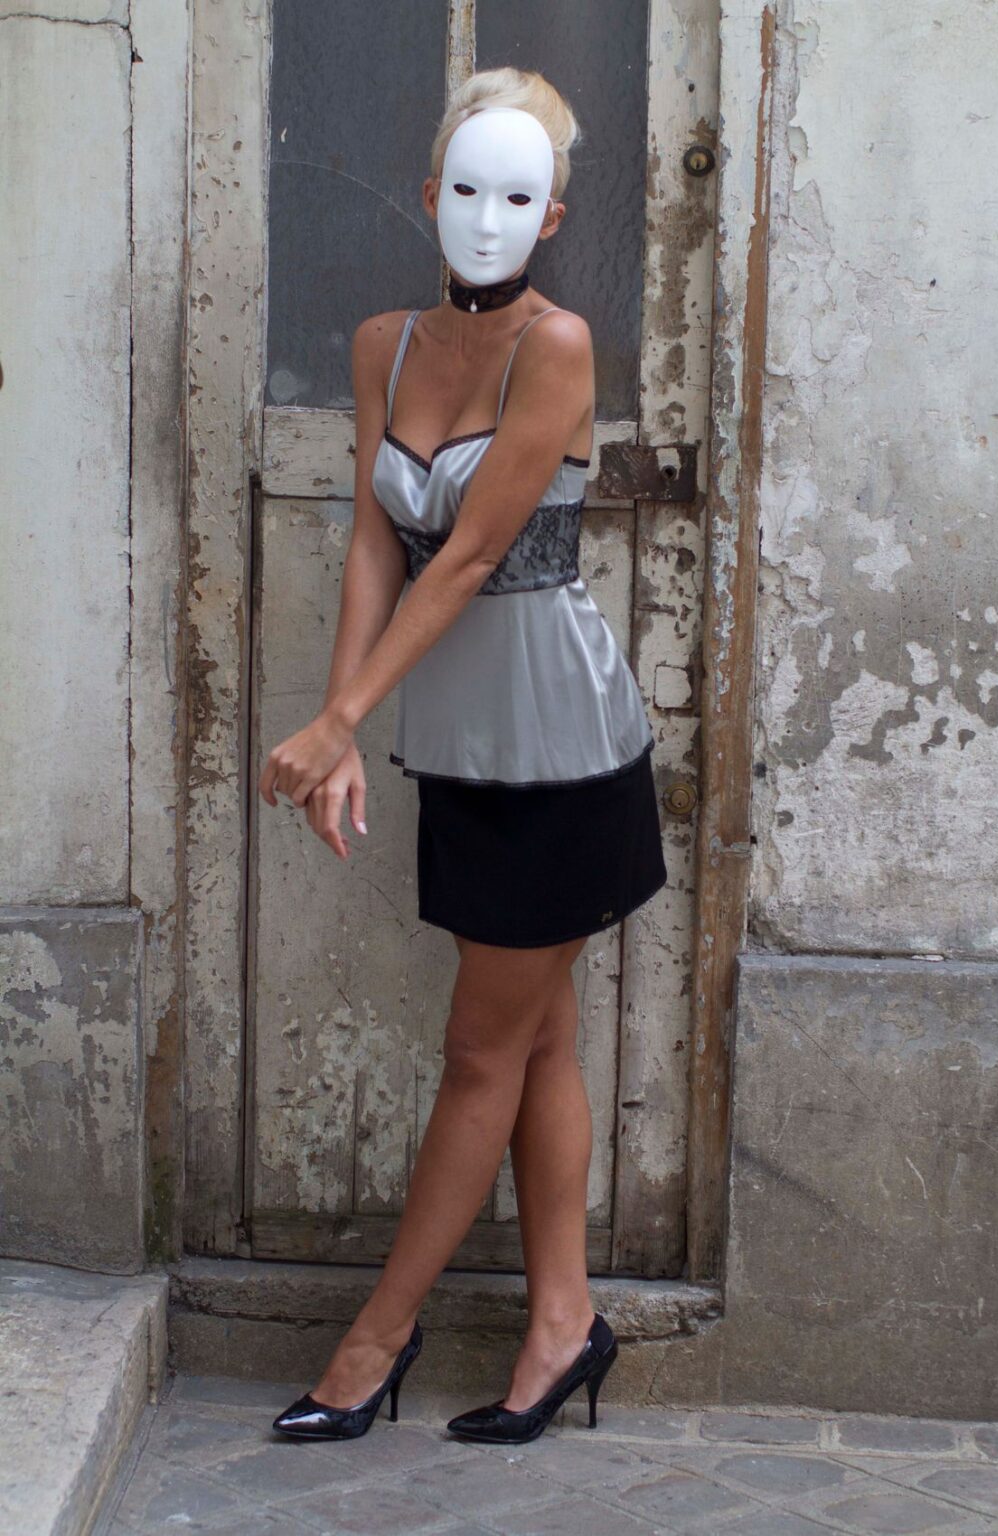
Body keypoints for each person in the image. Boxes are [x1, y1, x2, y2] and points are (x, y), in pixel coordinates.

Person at [259, 66, 667, 1445]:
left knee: (482, 1052)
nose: (489, 220)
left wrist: (342, 722)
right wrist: (342, 723)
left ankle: (376, 1341)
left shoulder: (558, 346)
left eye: (519, 198)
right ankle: (563, 1323)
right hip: (463, 743)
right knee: (537, 1037)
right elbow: (380, 540)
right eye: (467, 191)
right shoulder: (380, 343)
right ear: (430, 194)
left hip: (562, 747)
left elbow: (477, 552)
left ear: (551, 218)